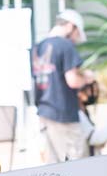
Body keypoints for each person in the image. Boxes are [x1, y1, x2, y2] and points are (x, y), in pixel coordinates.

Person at [31, 9, 95, 162]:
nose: (75, 39)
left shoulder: (38, 47)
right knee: (79, 165)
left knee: (53, 167)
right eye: (76, 34)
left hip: (44, 113)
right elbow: (72, 80)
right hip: (64, 113)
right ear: (70, 26)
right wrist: (87, 78)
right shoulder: (65, 46)